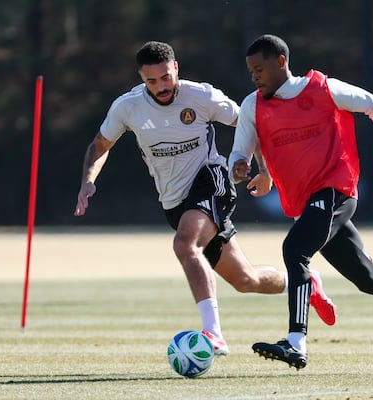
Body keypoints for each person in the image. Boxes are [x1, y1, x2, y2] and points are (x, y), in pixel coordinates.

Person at [73, 40, 337, 356]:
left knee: (185, 244)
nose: (161, 87)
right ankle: (306, 284)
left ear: (176, 69)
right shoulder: (127, 107)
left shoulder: (201, 96)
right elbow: (100, 145)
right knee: (246, 280)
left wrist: (265, 169)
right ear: (142, 79)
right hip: (174, 201)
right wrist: (88, 181)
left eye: (166, 78)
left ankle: (214, 335)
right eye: (151, 81)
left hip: (211, 181)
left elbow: (253, 123)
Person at [228, 34, 373, 369]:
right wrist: (240, 165)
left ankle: (296, 341)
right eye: (250, 71)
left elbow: (372, 104)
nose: (254, 76)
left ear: (281, 62)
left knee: (295, 250)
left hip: (336, 189)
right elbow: (240, 151)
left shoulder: (323, 89)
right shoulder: (252, 105)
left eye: (260, 69)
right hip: (307, 202)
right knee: (370, 280)